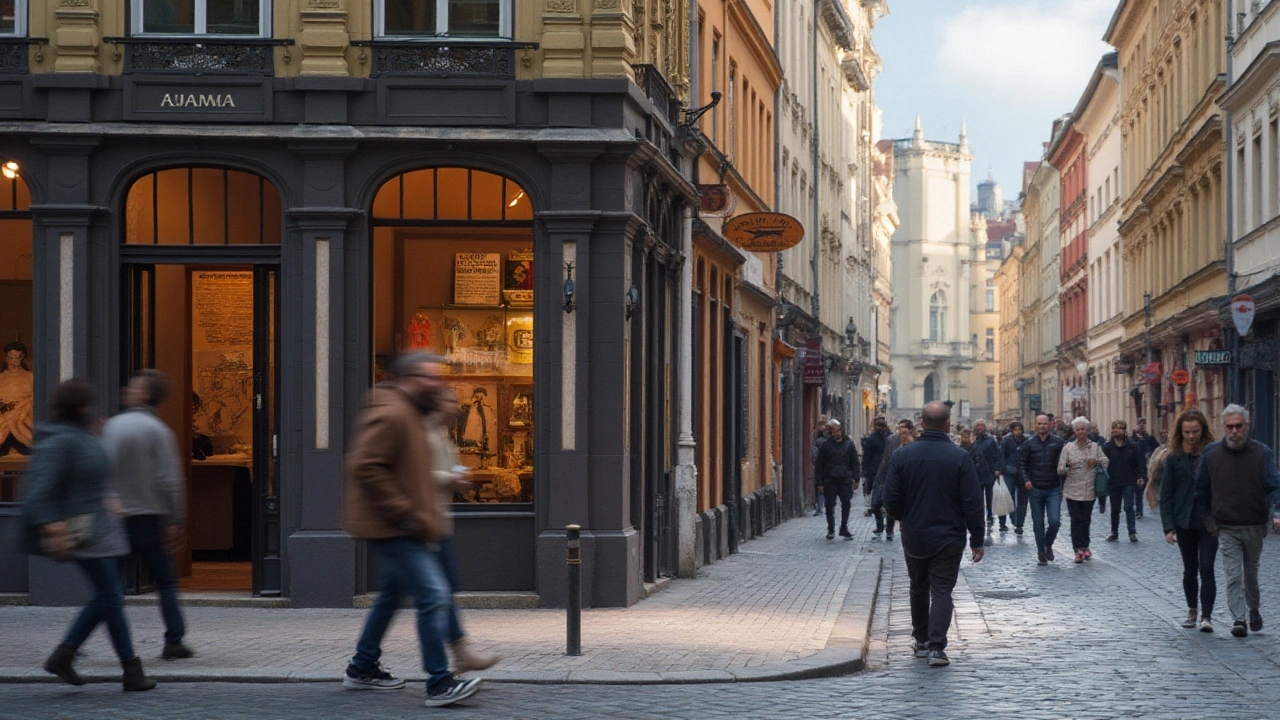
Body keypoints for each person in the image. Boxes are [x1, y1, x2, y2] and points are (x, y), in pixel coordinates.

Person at [343, 351, 482, 707]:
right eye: (429, 377)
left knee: (391, 596)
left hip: (409, 525)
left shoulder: (411, 413)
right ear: (407, 379)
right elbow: (365, 466)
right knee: (434, 595)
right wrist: (403, 511)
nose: (436, 384)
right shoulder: (393, 413)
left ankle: (362, 667)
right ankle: (439, 682)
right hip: (396, 526)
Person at [21, 378, 155, 691]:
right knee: (111, 596)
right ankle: (130, 669)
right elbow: (38, 491)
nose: (93, 410)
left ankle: (65, 654)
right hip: (82, 531)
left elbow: (91, 475)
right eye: (88, 404)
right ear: (79, 406)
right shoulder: (60, 441)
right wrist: (53, 527)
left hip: (101, 529)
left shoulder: (81, 435)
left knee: (108, 596)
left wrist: (109, 497)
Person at [882, 401, 985, 668]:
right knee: (941, 590)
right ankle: (937, 648)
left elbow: (889, 498)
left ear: (921, 424)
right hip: (949, 535)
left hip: (914, 532)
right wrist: (977, 539)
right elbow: (972, 503)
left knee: (918, 586)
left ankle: (921, 639)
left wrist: (903, 517)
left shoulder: (902, 456)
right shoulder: (960, 457)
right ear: (948, 424)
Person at [100, 370, 192, 660]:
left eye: (134, 386)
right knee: (165, 580)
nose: (127, 389)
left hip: (116, 516)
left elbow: (99, 469)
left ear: (145, 394)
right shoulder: (158, 431)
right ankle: (174, 639)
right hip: (148, 517)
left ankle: (82, 645)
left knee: (110, 585)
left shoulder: (112, 427)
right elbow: (170, 479)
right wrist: (175, 519)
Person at [426, 390, 501, 673]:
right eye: (451, 402)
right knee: (437, 594)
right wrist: (451, 478)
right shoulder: (424, 434)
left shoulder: (441, 434)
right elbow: (415, 475)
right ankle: (448, 665)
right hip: (425, 525)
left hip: (438, 522)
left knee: (427, 594)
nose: (458, 408)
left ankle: (364, 660)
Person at [1194, 404, 1280, 638]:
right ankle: (1238, 619)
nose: (1234, 431)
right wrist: (1208, 520)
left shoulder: (1262, 453)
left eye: (1238, 427)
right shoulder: (1211, 454)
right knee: (1233, 574)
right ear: (1224, 427)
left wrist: (1277, 512)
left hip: (1254, 524)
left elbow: (1273, 484)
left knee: (1251, 573)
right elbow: (1200, 491)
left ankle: (1253, 609)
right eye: (1230, 427)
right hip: (1226, 525)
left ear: (1247, 426)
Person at [1160, 410, 1216, 632]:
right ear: (1180, 433)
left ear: (1202, 430)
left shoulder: (1213, 454)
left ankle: (1207, 617)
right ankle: (1192, 610)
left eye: (1195, 432)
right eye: (1186, 432)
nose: (1191, 436)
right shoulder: (1174, 458)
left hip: (1209, 521)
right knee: (1190, 569)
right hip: (1184, 521)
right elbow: (1166, 494)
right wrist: (1168, 527)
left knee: (1207, 567)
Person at [1058, 417, 1108, 563]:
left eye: (1083, 429)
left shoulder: (1095, 447)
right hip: (1072, 490)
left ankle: (1086, 546)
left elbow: (1106, 461)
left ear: (1087, 430)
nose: (1081, 432)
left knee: (1086, 519)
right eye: (1078, 430)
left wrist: (1097, 461)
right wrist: (1068, 466)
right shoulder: (1068, 448)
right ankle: (1077, 548)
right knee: (1076, 519)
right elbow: (1060, 469)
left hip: (1089, 490)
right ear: (1074, 431)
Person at [1020, 414, 1067, 566]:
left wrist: (1063, 480)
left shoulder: (1059, 443)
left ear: (1050, 425)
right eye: (1039, 423)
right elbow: (1022, 464)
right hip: (1035, 488)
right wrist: (1026, 480)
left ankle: (1048, 544)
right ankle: (1041, 551)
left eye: (1044, 423)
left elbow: (1065, 463)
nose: (1042, 426)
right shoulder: (1028, 444)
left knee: (1055, 521)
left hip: (1053, 488)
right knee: (1038, 523)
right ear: (1035, 425)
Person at [815, 419, 860, 540]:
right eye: (834, 430)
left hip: (845, 479)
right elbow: (820, 464)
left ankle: (844, 528)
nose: (837, 433)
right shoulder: (826, 445)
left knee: (846, 504)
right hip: (830, 479)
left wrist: (856, 479)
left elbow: (855, 462)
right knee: (829, 504)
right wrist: (819, 482)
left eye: (838, 430)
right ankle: (831, 529)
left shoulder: (849, 444)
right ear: (830, 432)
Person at [1102, 419, 1146, 543]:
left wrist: (1140, 476)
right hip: (1113, 481)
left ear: (1125, 430)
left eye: (1121, 428)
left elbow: (1140, 463)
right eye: (1115, 428)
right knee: (1115, 508)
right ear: (1112, 430)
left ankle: (1132, 532)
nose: (1118, 430)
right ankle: (1114, 532)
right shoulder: (1107, 447)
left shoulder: (1132, 446)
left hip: (1129, 481)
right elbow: (1103, 464)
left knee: (1128, 507)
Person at [873, 419, 915, 541]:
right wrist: (878, 478)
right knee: (875, 505)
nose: (902, 430)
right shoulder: (891, 440)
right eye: (900, 427)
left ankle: (890, 530)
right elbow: (885, 459)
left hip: (904, 479)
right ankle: (880, 526)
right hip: (887, 475)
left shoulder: (913, 443)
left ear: (910, 429)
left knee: (892, 503)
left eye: (904, 427)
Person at [971, 420, 1006, 539]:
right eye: (977, 427)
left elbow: (997, 455)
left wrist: (998, 469)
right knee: (978, 497)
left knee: (990, 495)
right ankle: (981, 516)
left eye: (981, 426)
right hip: (977, 472)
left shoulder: (991, 440)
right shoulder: (974, 440)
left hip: (989, 472)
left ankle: (990, 515)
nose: (979, 428)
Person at [0, 340, 34, 455]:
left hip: (23, 416)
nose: (13, 361)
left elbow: (35, 398)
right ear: (6, 358)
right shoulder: (1, 377)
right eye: (11, 357)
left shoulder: (30, 377)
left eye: (17, 357)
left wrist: (20, 406)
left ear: (22, 358)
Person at [1000, 420, 1029, 534]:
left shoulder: (1026, 440)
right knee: (1009, 496)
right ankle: (1013, 518)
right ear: (1011, 430)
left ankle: (1019, 523)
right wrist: (1003, 469)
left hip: (1023, 472)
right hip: (1009, 471)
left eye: (1019, 429)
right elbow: (1002, 455)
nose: (1018, 432)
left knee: (1022, 499)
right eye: (1015, 429)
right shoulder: (1006, 440)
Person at [1132, 418, 1160, 518]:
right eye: (1140, 424)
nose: (1141, 426)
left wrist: (1152, 457)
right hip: (1135, 466)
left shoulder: (1149, 438)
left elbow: (1157, 448)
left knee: (1141, 488)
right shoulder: (1133, 438)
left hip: (1145, 466)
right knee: (1137, 489)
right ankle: (1138, 510)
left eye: (1143, 424)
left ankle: (1140, 509)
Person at [861, 417, 890, 510]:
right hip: (877, 468)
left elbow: (867, 456)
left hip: (879, 467)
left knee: (875, 487)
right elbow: (867, 456)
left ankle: (874, 505)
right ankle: (876, 505)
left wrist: (865, 470)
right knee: (875, 486)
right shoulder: (888, 437)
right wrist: (865, 470)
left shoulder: (873, 439)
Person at [811, 418, 830, 516]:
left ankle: (822, 507)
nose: (822, 427)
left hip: (825, 466)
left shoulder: (823, 439)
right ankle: (821, 507)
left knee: (822, 487)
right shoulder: (817, 437)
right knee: (820, 486)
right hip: (822, 466)